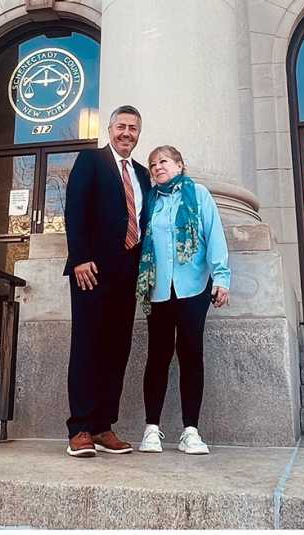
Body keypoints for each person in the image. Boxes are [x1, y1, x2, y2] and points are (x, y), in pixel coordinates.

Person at [62, 105, 152, 458]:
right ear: (110, 129)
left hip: (127, 274)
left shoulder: (142, 174)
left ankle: (103, 426)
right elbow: (75, 209)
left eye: (133, 128)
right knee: (87, 346)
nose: (126, 133)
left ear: (138, 134)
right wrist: (80, 257)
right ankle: (80, 428)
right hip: (92, 271)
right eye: (121, 126)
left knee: (117, 349)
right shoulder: (91, 161)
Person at [135, 145, 230, 455]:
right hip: (158, 290)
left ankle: (191, 431)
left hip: (194, 288)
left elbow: (213, 235)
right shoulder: (150, 201)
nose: (157, 167)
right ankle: (151, 429)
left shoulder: (198, 194)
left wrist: (222, 277)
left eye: (163, 161)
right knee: (157, 357)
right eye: (152, 164)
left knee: (191, 356)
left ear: (179, 165)